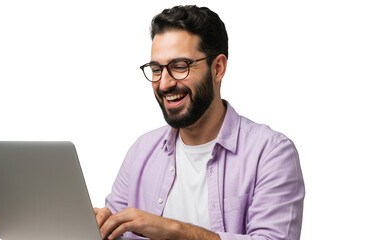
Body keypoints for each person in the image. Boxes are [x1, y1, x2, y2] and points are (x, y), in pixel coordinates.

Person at [95, 5, 304, 240]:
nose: (164, 84)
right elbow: (113, 230)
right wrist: (99, 225)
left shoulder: (271, 153)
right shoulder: (141, 151)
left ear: (218, 68)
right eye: (156, 69)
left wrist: (173, 230)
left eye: (179, 67)